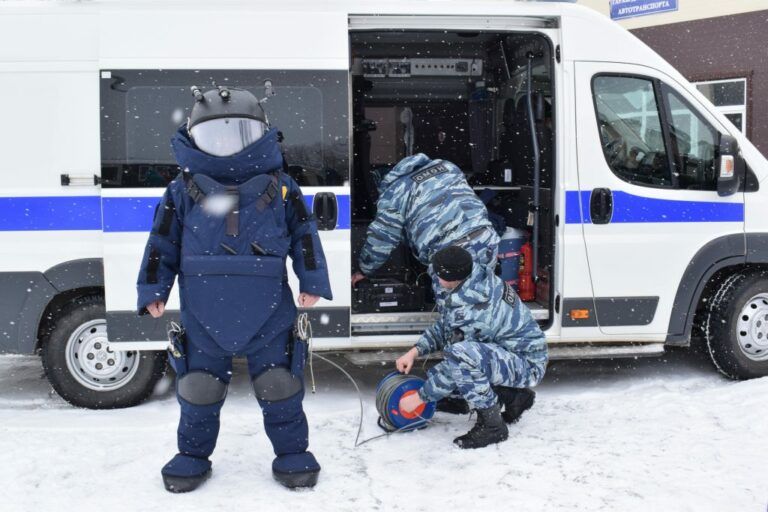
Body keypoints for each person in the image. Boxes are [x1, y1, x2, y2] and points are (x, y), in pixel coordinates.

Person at [136, 86, 332, 492]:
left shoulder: (282, 187)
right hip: (203, 310)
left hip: (270, 309)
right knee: (198, 386)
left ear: (258, 134)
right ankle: (192, 454)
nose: (226, 144)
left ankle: (292, 453)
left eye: (236, 133)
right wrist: (154, 289)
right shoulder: (181, 190)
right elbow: (162, 243)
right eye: (216, 134)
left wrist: (312, 281)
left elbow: (305, 235)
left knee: (279, 383)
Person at [395, 246, 548, 449]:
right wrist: (415, 351)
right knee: (454, 361)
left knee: (459, 357)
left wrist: (420, 397)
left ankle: (492, 426)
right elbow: (446, 325)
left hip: (527, 363)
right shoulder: (472, 281)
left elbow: (459, 364)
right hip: (509, 354)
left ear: (452, 277)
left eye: (439, 275)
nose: (436, 279)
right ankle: (513, 396)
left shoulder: (477, 311)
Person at [351, 153, 499, 304]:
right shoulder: (446, 166)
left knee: (455, 310)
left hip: (451, 252)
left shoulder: (394, 192)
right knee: (482, 301)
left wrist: (364, 270)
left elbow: (382, 239)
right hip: (486, 238)